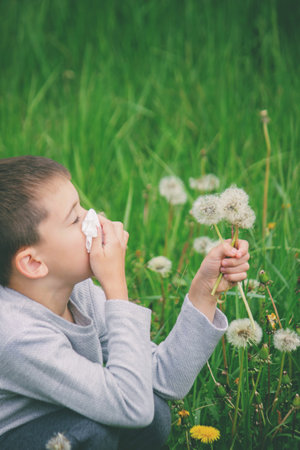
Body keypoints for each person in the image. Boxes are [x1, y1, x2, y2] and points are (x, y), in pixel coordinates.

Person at [0, 156, 250, 450]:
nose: (96, 218)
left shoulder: (76, 292)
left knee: (154, 414)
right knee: (95, 432)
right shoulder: (17, 336)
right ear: (33, 262)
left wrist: (205, 290)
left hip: (65, 414)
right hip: (17, 436)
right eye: (75, 218)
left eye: (83, 208)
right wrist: (115, 286)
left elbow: (162, 380)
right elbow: (131, 405)